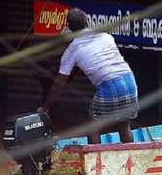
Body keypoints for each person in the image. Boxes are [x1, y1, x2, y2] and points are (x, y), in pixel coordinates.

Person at [38, 8, 138, 144]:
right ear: (87, 22)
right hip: (129, 81)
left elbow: (59, 84)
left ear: (69, 27)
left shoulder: (72, 50)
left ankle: (96, 162)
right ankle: (130, 160)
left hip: (109, 86)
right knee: (124, 125)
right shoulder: (106, 36)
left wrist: (46, 107)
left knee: (93, 127)